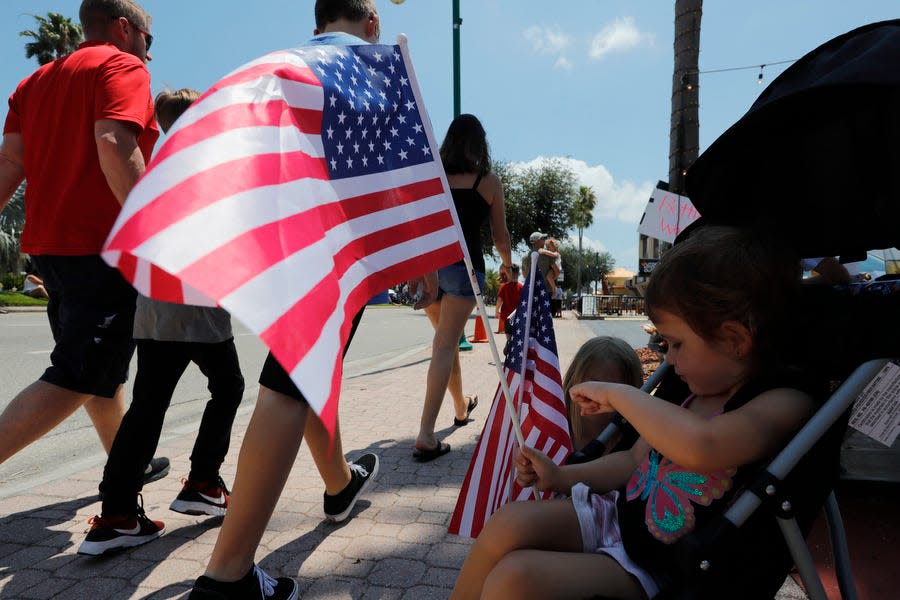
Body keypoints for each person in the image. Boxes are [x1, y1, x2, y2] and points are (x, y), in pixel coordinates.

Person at [188, 2, 438, 598]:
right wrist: (423, 264)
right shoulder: (374, 72)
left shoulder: (292, 67)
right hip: (336, 253)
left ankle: (338, 484)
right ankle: (227, 578)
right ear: (371, 22)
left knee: (302, 379)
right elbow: (400, 175)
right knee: (288, 388)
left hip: (287, 245)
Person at [451, 225, 823, 600]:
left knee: (515, 579)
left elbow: (703, 445)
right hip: (618, 518)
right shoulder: (692, 393)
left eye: (676, 344)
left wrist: (623, 395)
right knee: (507, 523)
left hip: (665, 565)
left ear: (735, 339)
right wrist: (561, 476)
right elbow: (631, 460)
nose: (668, 358)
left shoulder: (783, 402)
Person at [0, 0, 168, 481]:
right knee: (80, 373)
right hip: (101, 246)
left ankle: (128, 463)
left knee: (96, 367)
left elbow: (11, 162)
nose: (148, 55)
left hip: (50, 248)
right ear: (123, 28)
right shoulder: (121, 64)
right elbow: (114, 141)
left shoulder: (32, 83)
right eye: (147, 40)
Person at [77, 89, 247, 556]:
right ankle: (203, 482)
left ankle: (116, 513)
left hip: (152, 305)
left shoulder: (151, 166)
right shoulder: (205, 163)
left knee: (148, 406)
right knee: (228, 386)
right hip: (195, 305)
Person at [412, 113, 513, 462]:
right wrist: (508, 264)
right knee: (445, 344)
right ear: (479, 144)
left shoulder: (434, 175)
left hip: (430, 268)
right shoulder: (488, 182)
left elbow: (420, 225)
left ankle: (460, 406)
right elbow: (500, 237)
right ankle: (426, 434)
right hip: (462, 269)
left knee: (445, 342)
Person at [563, 336, 643, 452]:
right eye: (593, 386)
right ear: (573, 382)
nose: (600, 397)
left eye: (613, 391)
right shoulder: (553, 428)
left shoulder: (641, 442)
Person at [496, 264, 522, 336]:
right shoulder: (521, 287)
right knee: (517, 334)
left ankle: (509, 344)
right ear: (518, 274)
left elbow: (499, 300)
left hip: (506, 316)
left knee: (508, 334)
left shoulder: (504, 286)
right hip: (518, 316)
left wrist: (497, 310)